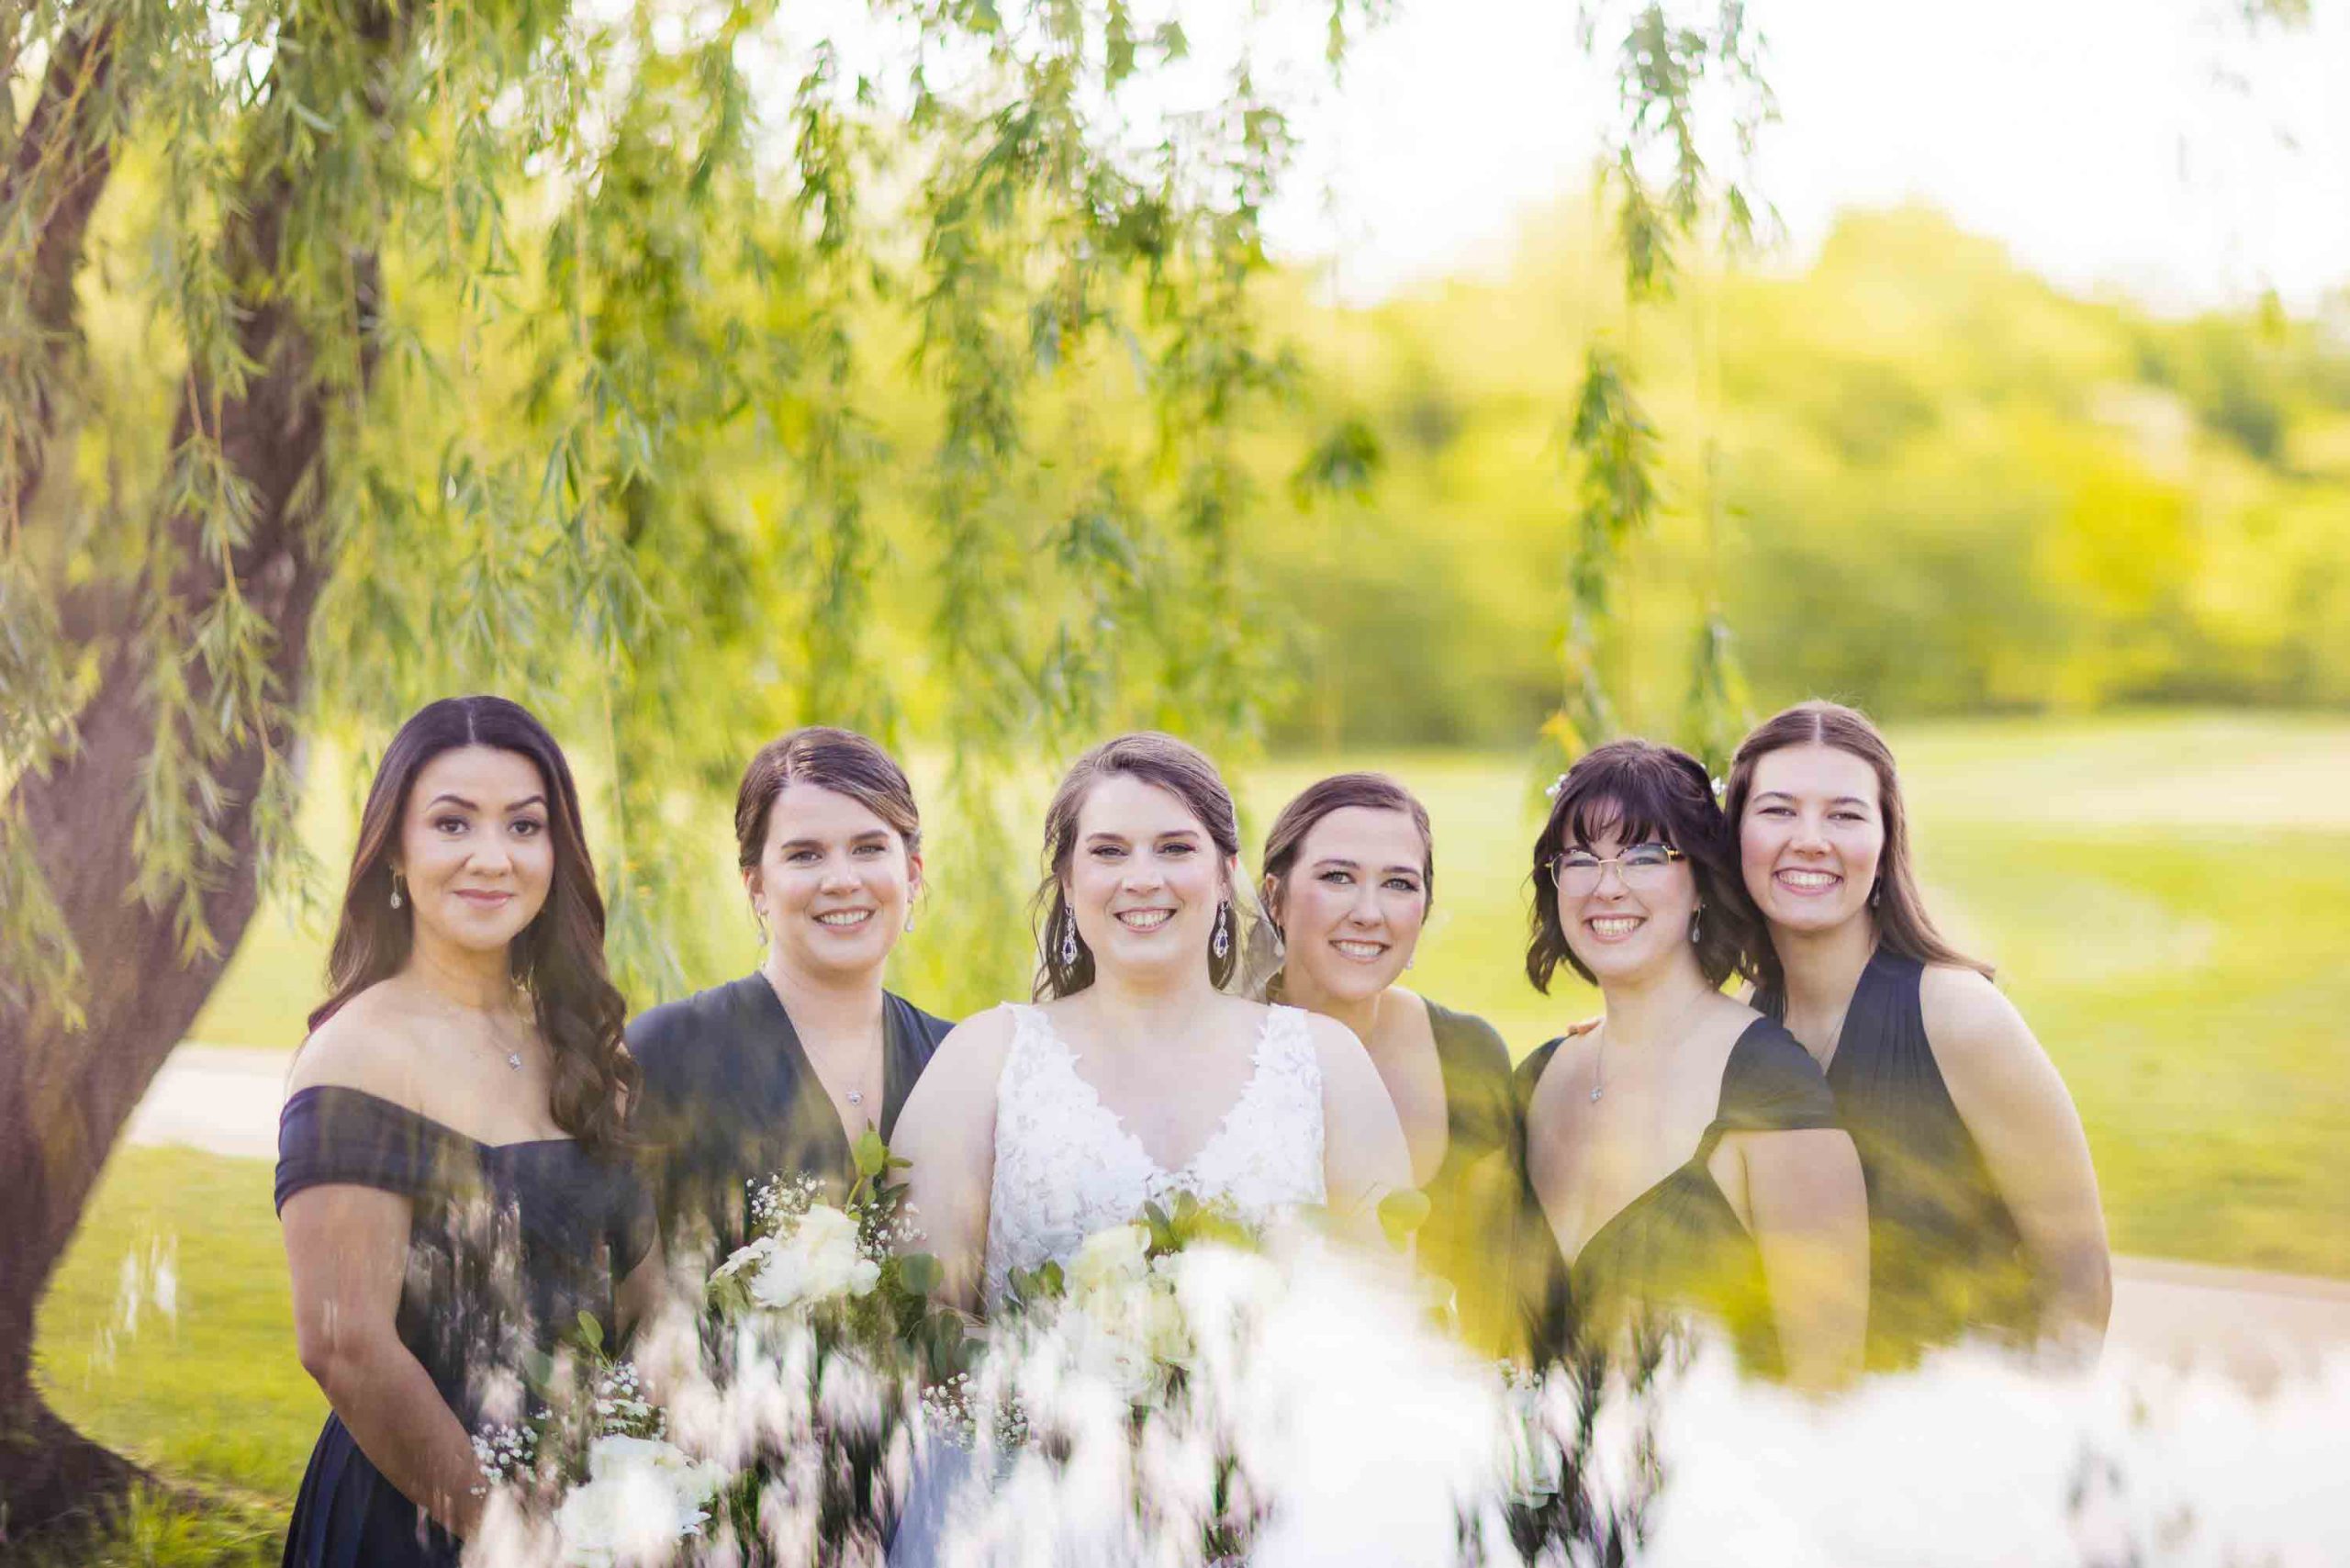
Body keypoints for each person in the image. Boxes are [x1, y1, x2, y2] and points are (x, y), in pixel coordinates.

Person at [277, 696, 660, 1563]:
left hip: (589, 1506)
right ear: (396, 850)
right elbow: (345, 1348)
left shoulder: (584, 1048)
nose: (493, 857)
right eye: (453, 824)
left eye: (524, 826)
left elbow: (643, 1300)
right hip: (416, 1515)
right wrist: (518, 1538)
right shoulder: (358, 1055)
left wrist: (657, 1487)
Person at [893, 731, 1413, 1314]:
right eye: (1109, 852)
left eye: (1174, 849)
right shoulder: (984, 1059)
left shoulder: (1326, 1061)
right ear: (1068, 882)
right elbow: (921, 1321)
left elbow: (1390, 1312)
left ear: (1225, 875)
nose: (1142, 878)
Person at [1728, 700, 2109, 1364]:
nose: (1810, 839)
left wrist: (2031, 1422)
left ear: (1884, 846)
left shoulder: (1961, 1018)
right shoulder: (1739, 1024)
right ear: (1736, 837)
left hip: (1966, 1408)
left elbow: (2081, 1287)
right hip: (1803, 1411)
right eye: (1779, 810)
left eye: (1845, 815)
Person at [1515, 739, 1868, 1389]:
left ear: (1702, 881)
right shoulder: (1537, 1080)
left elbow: (1830, 1386)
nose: (1607, 886)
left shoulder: (1769, 1091)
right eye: (1581, 859)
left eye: (1645, 857)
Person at [628, 726, 953, 1264]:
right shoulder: (668, 1053)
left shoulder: (955, 1061)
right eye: (805, 855)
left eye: (869, 848)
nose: (842, 880)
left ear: (912, 873)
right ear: (756, 886)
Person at [1255, 772, 1518, 1352]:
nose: (1369, 913)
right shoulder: (1219, 1050)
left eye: (1399, 884)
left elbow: (1497, 1299)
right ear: (1275, 897)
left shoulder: (1469, 1056)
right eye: (1337, 877)